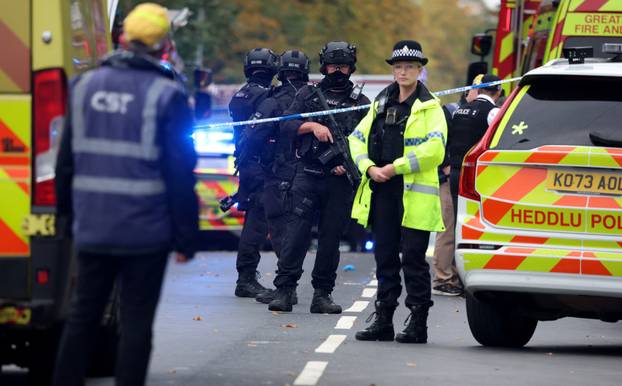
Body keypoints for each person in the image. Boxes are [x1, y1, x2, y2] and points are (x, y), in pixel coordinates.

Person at [52, 3, 198, 386]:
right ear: (163, 46)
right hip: (144, 233)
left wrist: (65, 218)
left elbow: (65, 161)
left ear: (121, 37)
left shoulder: (83, 86)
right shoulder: (167, 95)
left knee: (82, 318)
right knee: (135, 324)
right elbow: (180, 171)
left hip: (93, 225)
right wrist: (186, 236)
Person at [351, 40, 446, 343]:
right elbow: (356, 139)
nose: (403, 71)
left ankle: (418, 323)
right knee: (385, 259)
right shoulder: (380, 104)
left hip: (414, 196)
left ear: (420, 70)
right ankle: (384, 319)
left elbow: (434, 151)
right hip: (383, 192)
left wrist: (394, 168)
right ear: (393, 70)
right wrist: (368, 168)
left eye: (409, 66)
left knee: (414, 261)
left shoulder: (430, 108)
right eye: (398, 66)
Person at [268, 41, 370, 313]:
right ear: (324, 66)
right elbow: (286, 124)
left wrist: (348, 166)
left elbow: (367, 141)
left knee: (330, 239)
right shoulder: (307, 95)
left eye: (343, 65)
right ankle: (285, 290)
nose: (338, 71)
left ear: (351, 67)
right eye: (333, 65)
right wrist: (311, 126)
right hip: (307, 175)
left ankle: (322, 294)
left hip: (339, 181)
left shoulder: (360, 103)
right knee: (296, 234)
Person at [242, 49, 311, 304]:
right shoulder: (314, 97)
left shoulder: (273, 99)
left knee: (279, 227)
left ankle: (286, 288)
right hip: (308, 173)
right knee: (300, 228)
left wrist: (253, 160)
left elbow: (253, 134)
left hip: (276, 171)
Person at [228, 47, 279, 298]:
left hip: (247, 163)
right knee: (257, 222)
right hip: (260, 165)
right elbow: (264, 132)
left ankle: (246, 277)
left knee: (253, 219)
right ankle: (246, 279)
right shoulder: (266, 98)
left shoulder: (239, 95)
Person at [448, 74, 501, 216]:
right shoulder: (494, 112)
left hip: (455, 173)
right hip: (476, 174)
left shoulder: (459, 110)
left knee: (458, 219)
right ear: (499, 92)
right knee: (476, 219)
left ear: (478, 90)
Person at [431, 105, 463, 296]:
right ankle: (443, 279)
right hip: (447, 179)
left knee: (451, 228)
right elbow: (438, 141)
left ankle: (448, 277)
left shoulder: (454, 111)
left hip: (453, 178)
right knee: (447, 228)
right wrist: (445, 166)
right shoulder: (449, 111)